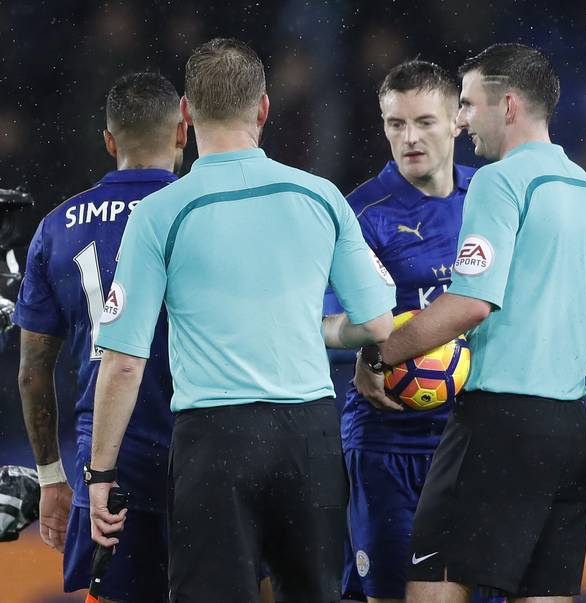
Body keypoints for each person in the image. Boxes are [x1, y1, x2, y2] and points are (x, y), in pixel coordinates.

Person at [87, 38, 395, 603]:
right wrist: (325, 332)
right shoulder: (321, 196)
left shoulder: (160, 214)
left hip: (214, 441)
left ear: (186, 113)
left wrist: (100, 474)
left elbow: (125, 362)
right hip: (308, 434)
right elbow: (378, 324)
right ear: (264, 108)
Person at [330, 59, 586, 603]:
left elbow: (523, 307)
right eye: (395, 124)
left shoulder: (493, 193)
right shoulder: (361, 214)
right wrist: (371, 348)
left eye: (425, 121)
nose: (410, 137)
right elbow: (329, 323)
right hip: (389, 441)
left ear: (456, 122)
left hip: (475, 437)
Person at [14, 72, 186, 602]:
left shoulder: (58, 226)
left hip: (109, 466)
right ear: (183, 130)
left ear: (109, 140)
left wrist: (50, 476)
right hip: (206, 452)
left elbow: (31, 371)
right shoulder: (202, 213)